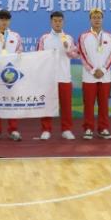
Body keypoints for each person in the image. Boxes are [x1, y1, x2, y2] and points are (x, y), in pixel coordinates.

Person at [36, 11, 78, 140]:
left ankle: (66, 130)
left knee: (66, 106)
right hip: (48, 78)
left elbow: (75, 55)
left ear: (63, 22)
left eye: (60, 21)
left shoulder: (68, 38)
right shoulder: (44, 38)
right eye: (55, 21)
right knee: (47, 105)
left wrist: (67, 48)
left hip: (64, 77)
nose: (58, 23)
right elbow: (38, 56)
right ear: (51, 22)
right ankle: (46, 129)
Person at [77, 8, 111, 140]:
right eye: (94, 17)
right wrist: (94, 70)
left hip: (105, 77)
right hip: (89, 77)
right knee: (88, 104)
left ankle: (103, 128)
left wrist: (103, 70)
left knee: (104, 104)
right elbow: (83, 55)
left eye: (99, 17)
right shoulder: (84, 36)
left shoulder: (110, 37)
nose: (97, 20)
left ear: (102, 19)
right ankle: (88, 128)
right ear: (90, 20)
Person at [0, 9, 23, 141]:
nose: (4, 22)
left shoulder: (16, 36)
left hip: (12, 75)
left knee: (12, 103)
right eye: (1, 19)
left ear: (9, 21)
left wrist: (18, 57)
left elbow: (20, 52)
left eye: (6, 19)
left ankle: (13, 129)